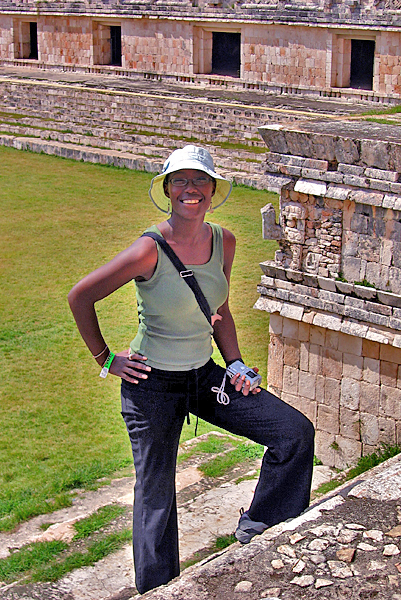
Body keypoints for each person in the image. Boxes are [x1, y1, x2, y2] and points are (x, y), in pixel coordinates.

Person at [68, 145, 315, 595]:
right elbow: (80, 296)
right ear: (166, 189)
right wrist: (106, 359)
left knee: (293, 432)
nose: (190, 189)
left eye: (200, 180)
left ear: (213, 190)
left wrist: (236, 362)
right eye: (180, 181)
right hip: (153, 385)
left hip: (204, 376)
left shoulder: (225, 240)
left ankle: (260, 525)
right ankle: (160, 590)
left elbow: (218, 306)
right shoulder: (149, 249)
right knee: (156, 492)